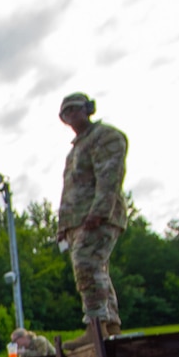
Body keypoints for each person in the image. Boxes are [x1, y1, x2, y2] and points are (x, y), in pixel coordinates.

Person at [57, 91, 129, 334]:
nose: (71, 115)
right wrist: (63, 227)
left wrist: (99, 212)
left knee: (87, 265)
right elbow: (70, 191)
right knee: (96, 269)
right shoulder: (76, 150)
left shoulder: (105, 137)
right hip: (77, 221)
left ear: (88, 109)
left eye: (75, 109)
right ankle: (110, 326)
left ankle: (97, 327)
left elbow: (110, 177)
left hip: (96, 217)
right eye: (66, 112)